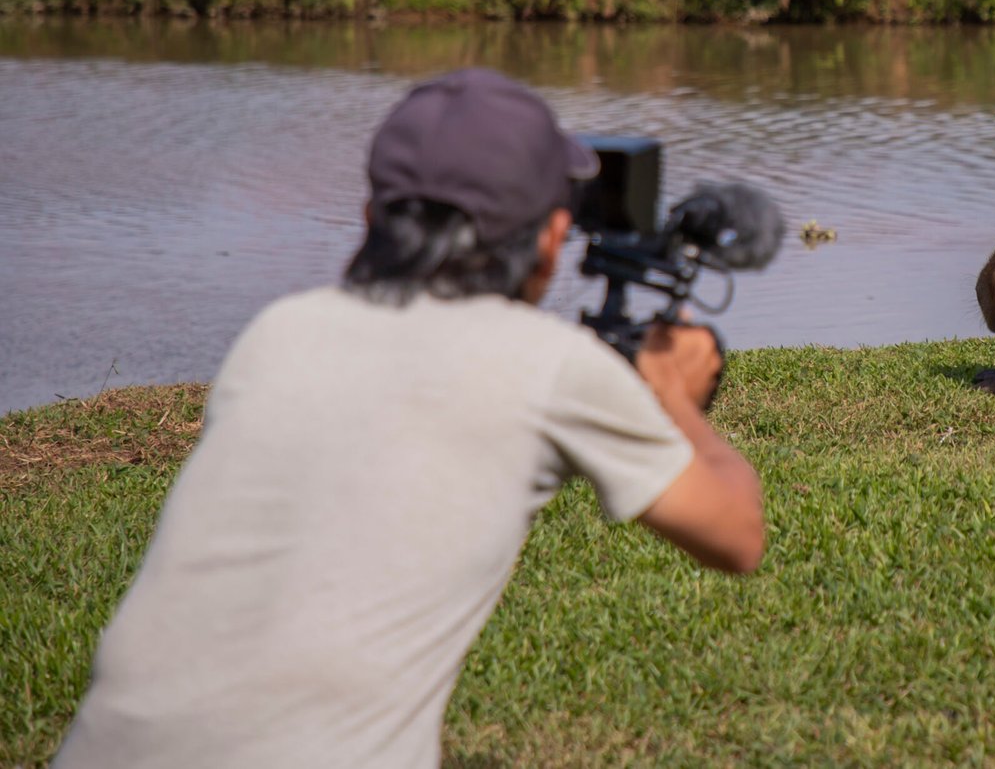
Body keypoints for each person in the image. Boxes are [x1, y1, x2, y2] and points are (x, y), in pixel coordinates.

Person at [53, 68, 765, 769]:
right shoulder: (549, 363)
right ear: (552, 237)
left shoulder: (281, 330)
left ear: (370, 219)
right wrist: (668, 393)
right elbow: (735, 533)